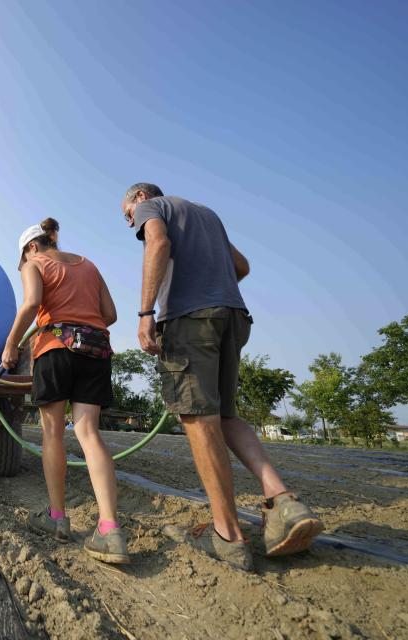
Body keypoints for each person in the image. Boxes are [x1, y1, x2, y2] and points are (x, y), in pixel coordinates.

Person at [121, 183, 323, 571]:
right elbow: (241, 266)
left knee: (199, 422)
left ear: (140, 198)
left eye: (127, 215)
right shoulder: (205, 214)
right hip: (231, 316)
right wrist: (213, 291)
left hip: (191, 321)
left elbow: (158, 245)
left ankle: (227, 535)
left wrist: (146, 313)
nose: (131, 223)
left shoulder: (153, 209)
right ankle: (284, 502)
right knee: (227, 418)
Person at [1, 217, 128, 564]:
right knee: (89, 433)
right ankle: (109, 528)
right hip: (95, 350)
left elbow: (31, 304)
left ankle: (57, 519)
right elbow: (111, 314)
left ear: (31, 247)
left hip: (54, 349)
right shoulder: (89, 265)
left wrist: (12, 345)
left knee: (53, 433)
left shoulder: (35, 263)